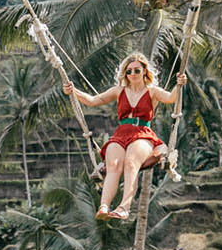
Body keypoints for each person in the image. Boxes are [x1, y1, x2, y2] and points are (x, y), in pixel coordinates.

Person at [63, 52, 184, 220]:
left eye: (136, 70)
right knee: (113, 164)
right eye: (129, 71)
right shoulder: (118, 91)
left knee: (131, 162)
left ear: (144, 71)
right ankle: (104, 206)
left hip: (143, 134)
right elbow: (92, 100)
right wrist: (73, 91)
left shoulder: (152, 92)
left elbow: (171, 99)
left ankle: (124, 208)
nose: (132, 74)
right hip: (121, 134)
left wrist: (178, 86)